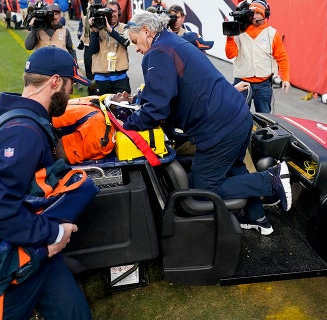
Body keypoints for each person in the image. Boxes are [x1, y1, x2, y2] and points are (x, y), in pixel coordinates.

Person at [122, 11, 291, 236]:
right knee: (234, 170)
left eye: (135, 42)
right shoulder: (173, 42)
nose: (136, 48)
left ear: (146, 31)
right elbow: (166, 91)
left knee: (203, 191)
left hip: (219, 127)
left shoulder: (158, 52)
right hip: (237, 117)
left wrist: (128, 125)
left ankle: (270, 180)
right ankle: (257, 218)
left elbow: (156, 108)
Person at [0, 46, 92, 320]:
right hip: (6, 261)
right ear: (56, 82)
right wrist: (54, 235)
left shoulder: (1, 114)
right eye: (70, 86)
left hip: (33, 250)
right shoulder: (24, 132)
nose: (70, 94)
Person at [225, 0, 290, 114]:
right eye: (252, 12)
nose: (254, 15)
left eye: (258, 12)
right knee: (238, 116)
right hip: (242, 83)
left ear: (265, 15)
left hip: (263, 85)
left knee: (265, 117)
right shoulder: (239, 30)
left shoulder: (272, 33)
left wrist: (285, 78)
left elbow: (282, 57)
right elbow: (230, 55)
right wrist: (230, 38)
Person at [88, 0, 131, 94]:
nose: (112, 14)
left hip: (120, 76)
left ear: (119, 12)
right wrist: (94, 31)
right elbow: (92, 50)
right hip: (101, 77)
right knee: (102, 107)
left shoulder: (124, 27)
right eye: (109, 11)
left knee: (123, 106)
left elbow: (126, 42)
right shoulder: (97, 26)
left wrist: (109, 30)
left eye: (114, 11)